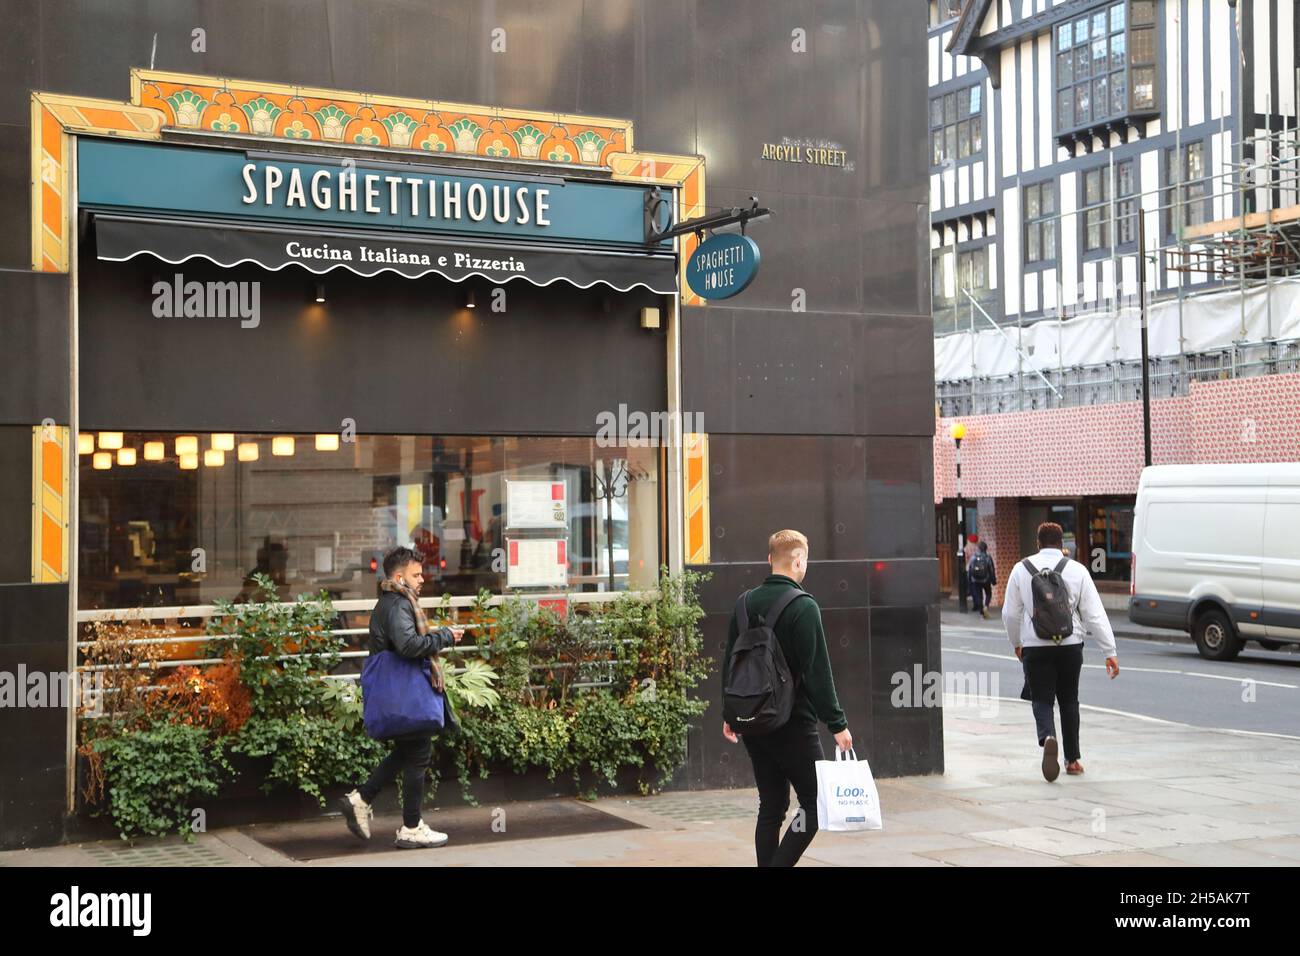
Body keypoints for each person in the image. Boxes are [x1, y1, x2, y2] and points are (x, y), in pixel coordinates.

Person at [722, 529, 852, 867]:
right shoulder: (803, 606)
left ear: (769, 560)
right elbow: (817, 672)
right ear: (799, 561)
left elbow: (731, 663)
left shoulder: (744, 603)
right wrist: (837, 723)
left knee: (771, 805)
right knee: (814, 802)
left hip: (751, 719)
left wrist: (729, 714)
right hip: (793, 722)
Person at [340, 546, 463, 848]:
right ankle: (410, 827)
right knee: (417, 755)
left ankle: (362, 798)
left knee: (407, 754)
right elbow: (408, 645)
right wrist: (445, 636)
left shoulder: (395, 601)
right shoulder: (397, 604)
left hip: (403, 693)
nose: (422, 579)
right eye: (416, 574)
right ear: (399, 576)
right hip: (406, 692)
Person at [1001, 522, 1119, 782]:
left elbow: (1010, 613)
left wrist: (1016, 642)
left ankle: (1048, 737)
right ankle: (1073, 760)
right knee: (1069, 700)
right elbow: (1094, 613)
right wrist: (1109, 651)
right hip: (1070, 645)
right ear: (1062, 545)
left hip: (1035, 645)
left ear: (1038, 543)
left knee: (1042, 699)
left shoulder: (1021, 569)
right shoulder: (1077, 570)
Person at [967, 539, 996, 620]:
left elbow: (970, 570)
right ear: (986, 549)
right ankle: (986, 606)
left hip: (975, 580)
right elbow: (991, 569)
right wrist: (993, 580)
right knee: (988, 593)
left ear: (978, 548)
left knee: (979, 596)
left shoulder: (973, 557)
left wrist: (970, 581)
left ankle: (981, 614)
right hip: (986, 579)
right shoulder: (988, 557)